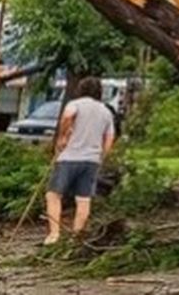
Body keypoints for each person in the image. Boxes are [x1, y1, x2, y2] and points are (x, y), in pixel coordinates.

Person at [44, 76, 115, 245]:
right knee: (83, 199)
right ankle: (76, 237)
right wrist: (102, 155)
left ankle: (54, 234)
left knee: (53, 195)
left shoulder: (75, 104)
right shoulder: (106, 111)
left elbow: (68, 116)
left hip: (69, 157)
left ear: (81, 89)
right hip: (92, 160)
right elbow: (110, 136)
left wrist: (62, 137)